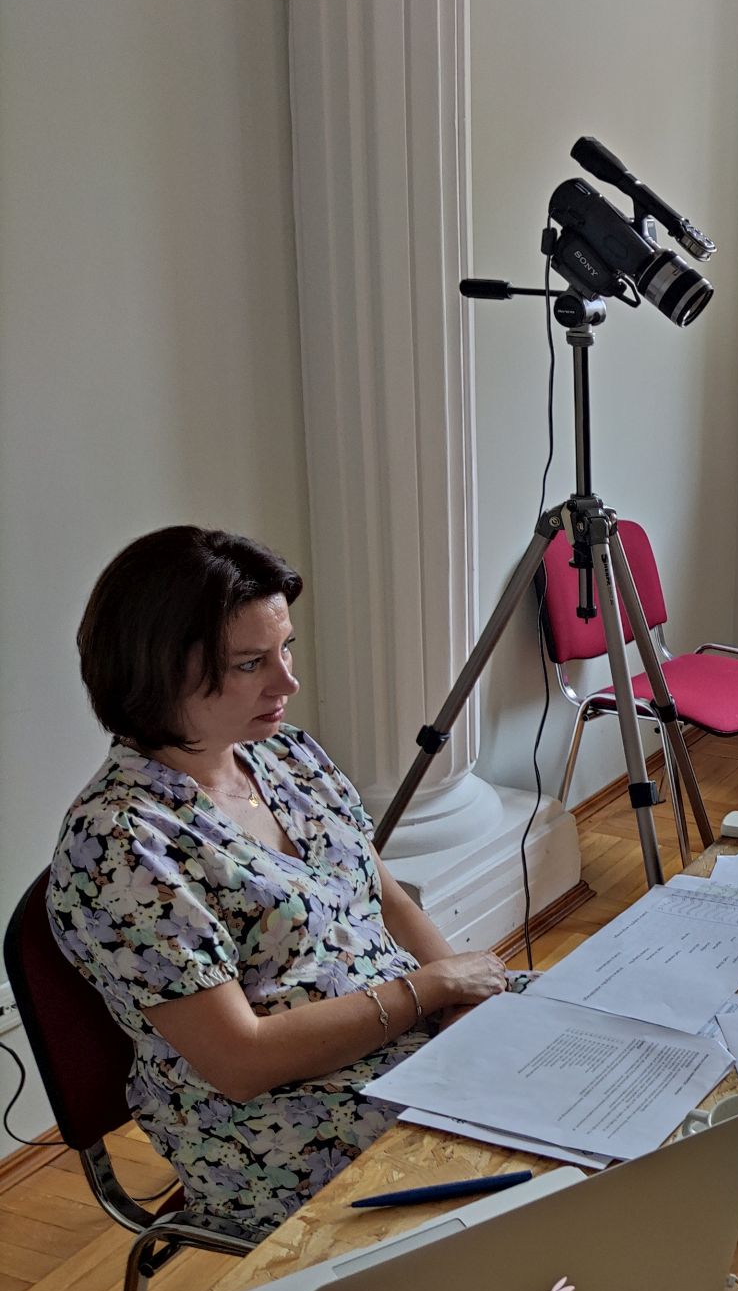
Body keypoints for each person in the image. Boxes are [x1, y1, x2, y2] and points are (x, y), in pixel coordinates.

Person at [47, 527, 508, 1236]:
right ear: (155, 671)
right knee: (534, 1167)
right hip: (279, 1121)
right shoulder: (121, 844)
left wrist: (460, 1000)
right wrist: (433, 990)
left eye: (285, 648)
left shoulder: (281, 752)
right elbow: (242, 1061)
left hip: (406, 1034)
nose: (287, 681)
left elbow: (380, 892)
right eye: (250, 663)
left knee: (605, 1056)